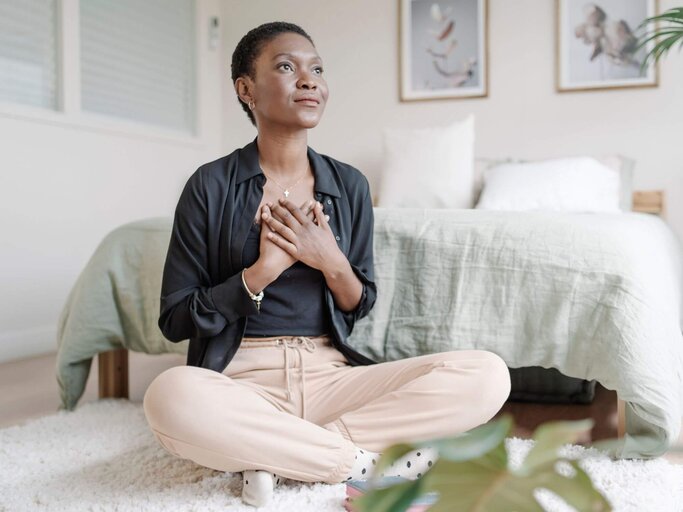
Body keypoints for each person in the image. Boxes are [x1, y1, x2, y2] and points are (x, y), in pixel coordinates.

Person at [142, 21, 511, 507]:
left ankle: (278, 453)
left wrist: (330, 259)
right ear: (246, 89)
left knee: (487, 374)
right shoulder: (209, 186)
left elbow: (358, 305)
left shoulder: (350, 185)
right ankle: (366, 466)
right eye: (287, 67)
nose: (309, 80)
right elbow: (175, 318)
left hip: (331, 375)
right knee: (169, 396)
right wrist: (261, 273)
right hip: (241, 378)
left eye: (316, 68)